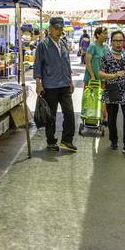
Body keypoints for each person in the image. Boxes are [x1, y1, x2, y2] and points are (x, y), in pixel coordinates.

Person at [34, 17, 76, 152]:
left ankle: (67, 140)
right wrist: (38, 83)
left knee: (69, 113)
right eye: (56, 28)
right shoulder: (43, 45)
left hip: (64, 84)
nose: (59, 31)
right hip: (50, 86)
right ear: (50, 29)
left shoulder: (63, 44)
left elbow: (67, 63)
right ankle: (51, 141)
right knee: (50, 115)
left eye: (61, 28)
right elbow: (37, 65)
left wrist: (70, 80)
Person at [99, 31, 125, 155]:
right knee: (112, 118)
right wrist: (114, 75)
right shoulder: (106, 56)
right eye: (116, 40)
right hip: (112, 90)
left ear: (124, 41)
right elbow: (101, 73)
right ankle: (113, 140)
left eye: (121, 40)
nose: (118, 43)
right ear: (111, 41)